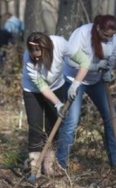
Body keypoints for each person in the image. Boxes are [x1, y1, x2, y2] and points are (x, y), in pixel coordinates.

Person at [56, 15, 116, 170]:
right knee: (72, 121)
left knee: (111, 118)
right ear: (98, 28)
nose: (108, 38)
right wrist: (94, 66)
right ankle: (61, 164)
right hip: (74, 80)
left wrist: (107, 72)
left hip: (96, 81)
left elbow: (111, 60)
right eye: (105, 35)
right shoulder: (82, 33)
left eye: (111, 36)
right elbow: (70, 60)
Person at [22, 32, 89, 175]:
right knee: (35, 127)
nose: (36, 58)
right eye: (33, 56)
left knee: (53, 125)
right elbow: (42, 87)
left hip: (56, 86)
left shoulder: (60, 44)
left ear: (47, 50)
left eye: (39, 55)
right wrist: (58, 104)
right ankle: (35, 169)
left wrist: (75, 84)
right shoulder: (28, 59)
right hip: (33, 91)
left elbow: (84, 61)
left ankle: (49, 166)